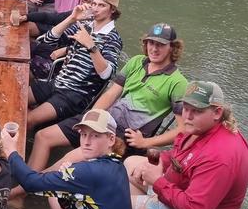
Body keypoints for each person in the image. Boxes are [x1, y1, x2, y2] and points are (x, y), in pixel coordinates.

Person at [24, 23, 188, 180]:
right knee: (43, 136)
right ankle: (28, 187)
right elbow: (111, 94)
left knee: (73, 156)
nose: (154, 48)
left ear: (172, 48)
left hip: (126, 137)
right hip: (104, 120)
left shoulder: (178, 82)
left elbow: (183, 130)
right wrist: (91, 116)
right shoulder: (137, 62)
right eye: (151, 42)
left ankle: (26, 187)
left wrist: (145, 142)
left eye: (161, 44)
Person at [125, 81, 248, 209]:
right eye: (186, 108)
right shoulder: (201, 128)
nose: (187, 117)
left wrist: (158, 182)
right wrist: (161, 161)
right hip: (182, 191)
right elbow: (180, 156)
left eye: (197, 111)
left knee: (118, 206)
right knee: (131, 162)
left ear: (217, 112)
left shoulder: (220, 155)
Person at [27, 0, 122, 130]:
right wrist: (72, 18)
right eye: (94, 4)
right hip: (57, 83)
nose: (95, 8)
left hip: (74, 95)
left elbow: (106, 74)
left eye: (102, 5)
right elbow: (49, 40)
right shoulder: (86, 26)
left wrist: (91, 46)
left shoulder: (113, 38)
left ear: (112, 10)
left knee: (28, 120)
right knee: (14, 99)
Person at [24, 0, 104, 39]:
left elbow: (68, 36)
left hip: (64, 44)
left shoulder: (96, 20)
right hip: (58, 36)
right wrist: (26, 17)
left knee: (28, 30)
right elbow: (54, 18)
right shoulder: (80, 11)